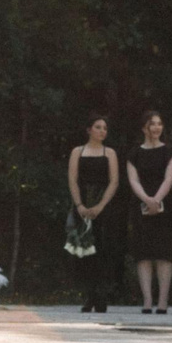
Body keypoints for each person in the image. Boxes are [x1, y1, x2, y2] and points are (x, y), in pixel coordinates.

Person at [65, 114, 125, 313]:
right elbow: (72, 179)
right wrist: (80, 205)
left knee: (103, 250)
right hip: (82, 203)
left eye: (105, 128)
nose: (102, 131)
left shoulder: (110, 153)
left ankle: (101, 295)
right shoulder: (77, 152)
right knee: (84, 251)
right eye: (98, 127)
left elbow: (114, 181)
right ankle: (89, 295)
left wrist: (101, 205)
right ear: (89, 129)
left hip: (104, 206)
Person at [128, 111, 172, 314]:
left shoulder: (169, 151)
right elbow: (133, 180)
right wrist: (146, 199)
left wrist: (157, 200)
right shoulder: (135, 153)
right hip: (141, 205)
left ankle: (163, 300)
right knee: (143, 255)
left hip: (165, 206)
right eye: (153, 124)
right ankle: (147, 300)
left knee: (163, 255)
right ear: (144, 127)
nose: (157, 127)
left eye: (160, 124)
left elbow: (169, 178)